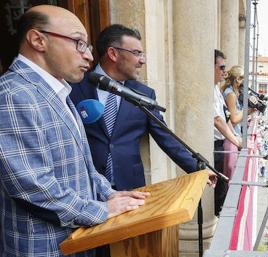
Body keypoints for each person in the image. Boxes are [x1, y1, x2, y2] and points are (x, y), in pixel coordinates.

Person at [0, 6, 148, 257]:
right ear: (38, 39)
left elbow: (84, 166)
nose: (88, 54)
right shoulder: (13, 94)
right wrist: (101, 210)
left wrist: (113, 194)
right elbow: (31, 184)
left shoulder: (58, 91)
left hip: (83, 238)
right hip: (51, 251)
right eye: (79, 43)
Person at [70, 24, 213, 191]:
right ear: (113, 53)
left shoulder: (144, 95)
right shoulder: (74, 86)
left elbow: (166, 138)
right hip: (86, 188)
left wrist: (198, 169)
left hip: (130, 188)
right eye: (137, 53)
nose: (142, 60)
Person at [213, 49, 242, 215]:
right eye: (222, 67)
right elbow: (218, 121)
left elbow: (226, 118)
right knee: (219, 186)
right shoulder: (216, 90)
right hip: (216, 145)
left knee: (222, 184)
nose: (225, 71)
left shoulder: (217, 89)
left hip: (222, 142)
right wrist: (236, 141)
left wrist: (235, 138)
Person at [221, 65, 249, 178]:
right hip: (231, 137)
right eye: (243, 79)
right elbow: (233, 120)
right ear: (237, 79)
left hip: (231, 135)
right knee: (231, 172)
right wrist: (247, 110)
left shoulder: (229, 92)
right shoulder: (230, 94)